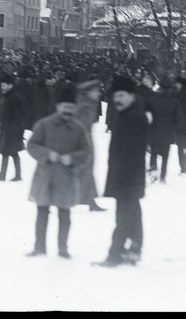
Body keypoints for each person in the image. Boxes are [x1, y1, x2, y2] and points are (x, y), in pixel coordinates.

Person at [26, 83, 92, 258]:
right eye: (65, 107)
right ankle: (39, 247)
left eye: (71, 107)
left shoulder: (79, 129)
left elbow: (86, 153)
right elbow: (31, 145)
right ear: (57, 107)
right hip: (45, 175)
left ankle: (63, 249)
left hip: (67, 177)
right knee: (42, 212)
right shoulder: (43, 125)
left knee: (64, 214)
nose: (68, 110)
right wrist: (47, 154)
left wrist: (72, 159)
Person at [93, 76, 149, 268]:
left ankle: (115, 255)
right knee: (132, 215)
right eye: (116, 96)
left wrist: (122, 177)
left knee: (123, 217)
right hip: (127, 176)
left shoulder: (134, 116)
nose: (118, 99)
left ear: (131, 96)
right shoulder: (128, 113)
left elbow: (133, 151)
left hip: (128, 177)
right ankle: (134, 249)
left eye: (122, 95)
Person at [75, 79, 106, 211]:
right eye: (96, 91)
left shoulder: (88, 103)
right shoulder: (84, 105)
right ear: (89, 92)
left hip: (85, 140)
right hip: (80, 142)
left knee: (86, 171)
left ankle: (90, 200)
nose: (98, 94)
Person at [146, 76, 183, 185]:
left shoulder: (151, 101)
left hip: (154, 132)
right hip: (168, 133)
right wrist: (174, 128)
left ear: (160, 88)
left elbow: (146, 116)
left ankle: (153, 175)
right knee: (165, 157)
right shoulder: (175, 102)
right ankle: (162, 177)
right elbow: (179, 119)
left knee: (153, 155)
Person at [0, 73, 26, 182]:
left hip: (11, 130)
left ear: (10, 85)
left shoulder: (15, 97)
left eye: (4, 85)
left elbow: (19, 115)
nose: (2, 87)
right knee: (13, 152)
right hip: (6, 129)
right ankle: (18, 175)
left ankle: (2, 175)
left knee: (6, 152)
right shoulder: (6, 96)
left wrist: (13, 128)